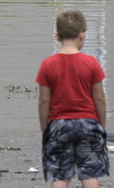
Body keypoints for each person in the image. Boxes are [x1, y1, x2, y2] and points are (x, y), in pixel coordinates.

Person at [36, 10, 108, 188]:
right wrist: (101, 125)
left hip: (59, 124)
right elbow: (99, 98)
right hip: (88, 123)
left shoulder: (47, 64)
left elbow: (44, 101)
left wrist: (45, 129)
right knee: (89, 174)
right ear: (83, 35)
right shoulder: (91, 63)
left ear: (57, 36)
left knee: (60, 175)